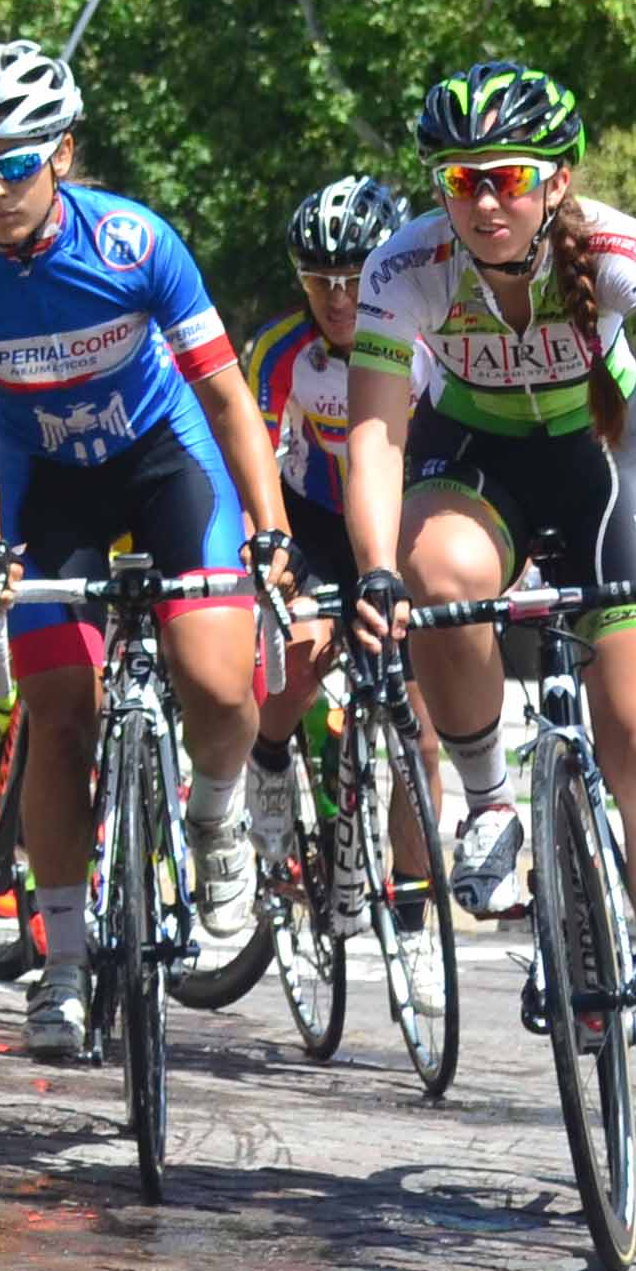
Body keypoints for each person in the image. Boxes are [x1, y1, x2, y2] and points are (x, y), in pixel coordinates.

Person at [342, 63, 636, 1155]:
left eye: (509, 178)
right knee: (439, 575)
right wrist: (375, 564)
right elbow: (375, 434)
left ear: (557, 179)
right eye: (461, 180)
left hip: (600, 466)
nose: (483, 201)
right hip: (473, 460)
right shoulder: (407, 264)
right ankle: (486, 801)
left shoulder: (620, 249)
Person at [0, 38, 304, 1060]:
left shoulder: (134, 245)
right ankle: (67, 963)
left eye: (14, 161)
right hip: (47, 486)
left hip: (164, 461)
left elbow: (224, 395)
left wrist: (270, 528)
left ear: (63, 153)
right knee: (58, 715)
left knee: (216, 682)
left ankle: (215, 820)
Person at [242, 174, 408, 833]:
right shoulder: (282, 349)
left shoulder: (430, 340)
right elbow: (253, 453)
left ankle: (411, 899)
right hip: (314, 515)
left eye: (355, 278)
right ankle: (271, 756)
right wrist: (268, 541)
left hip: (400, 518)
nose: (337, 299)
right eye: (319, 280)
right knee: (302, 657)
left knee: (418, 728)